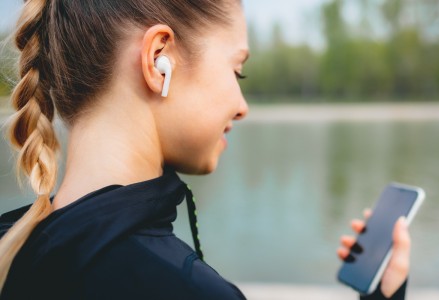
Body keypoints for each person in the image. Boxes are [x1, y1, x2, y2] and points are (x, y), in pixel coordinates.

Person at [0, 0, 410, 299]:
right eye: (237, 70)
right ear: (159, 58)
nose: (243, 105)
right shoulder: (184, 289)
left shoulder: (10, 244)